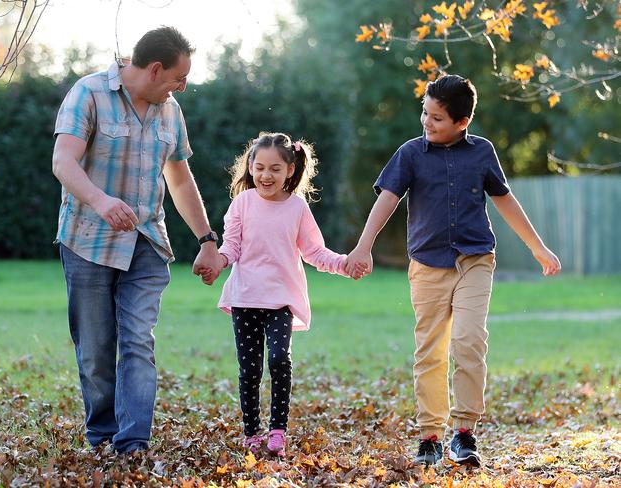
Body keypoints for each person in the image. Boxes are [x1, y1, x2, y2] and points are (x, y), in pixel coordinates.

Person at [345, 74, 561, 468]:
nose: (427, 122)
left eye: (437, 118)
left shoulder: (482, 153)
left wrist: (538, 247)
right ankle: (430, 436)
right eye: (424, 113)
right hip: (428, 265)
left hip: (475, 260)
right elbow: (388, 199)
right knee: (429, 351)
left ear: (462, 122)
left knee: (468, 340)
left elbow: (505, 201)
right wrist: (364, 246)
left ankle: (464, 432)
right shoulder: (411, 153)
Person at [51, 26, 223, 454]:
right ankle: (102, 435)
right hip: (88, 241)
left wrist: (206, 238)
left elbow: (180, 180)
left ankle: (132, 444)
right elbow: (62, 161)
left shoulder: (170, 111)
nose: (183, 86)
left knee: (137, 342)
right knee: (95, 349)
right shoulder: (88, 94)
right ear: (155, 68)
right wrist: (100, 200)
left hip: (148, 243)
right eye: (178, 78)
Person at [209, 132, 365, 458]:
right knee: (250, 370)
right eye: (260, 167)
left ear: (290, 170)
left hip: (281, 300)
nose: (266, 175)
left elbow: (315, 252)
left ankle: (277, 430)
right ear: (250, 167)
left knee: (280, 360)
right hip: (246, 299)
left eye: (275, 169)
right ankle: (252, 433)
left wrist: (344, 264)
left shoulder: (297, 208)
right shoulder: (242, 203)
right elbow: (231, 246)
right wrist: (217, 261)